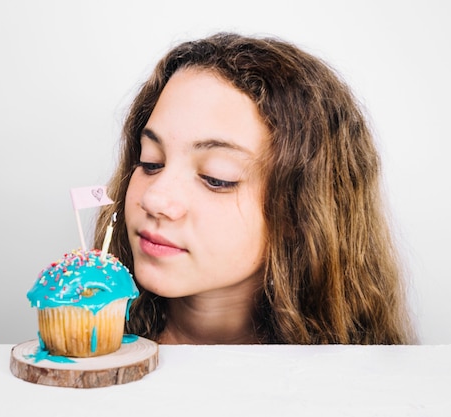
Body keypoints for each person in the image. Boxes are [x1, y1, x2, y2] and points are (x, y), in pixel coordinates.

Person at [93, 32, 416, 345]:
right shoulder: (79, 355)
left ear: (301, 212)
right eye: (150, 162)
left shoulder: (360, 387)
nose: (154, 198)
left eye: (216, 178)